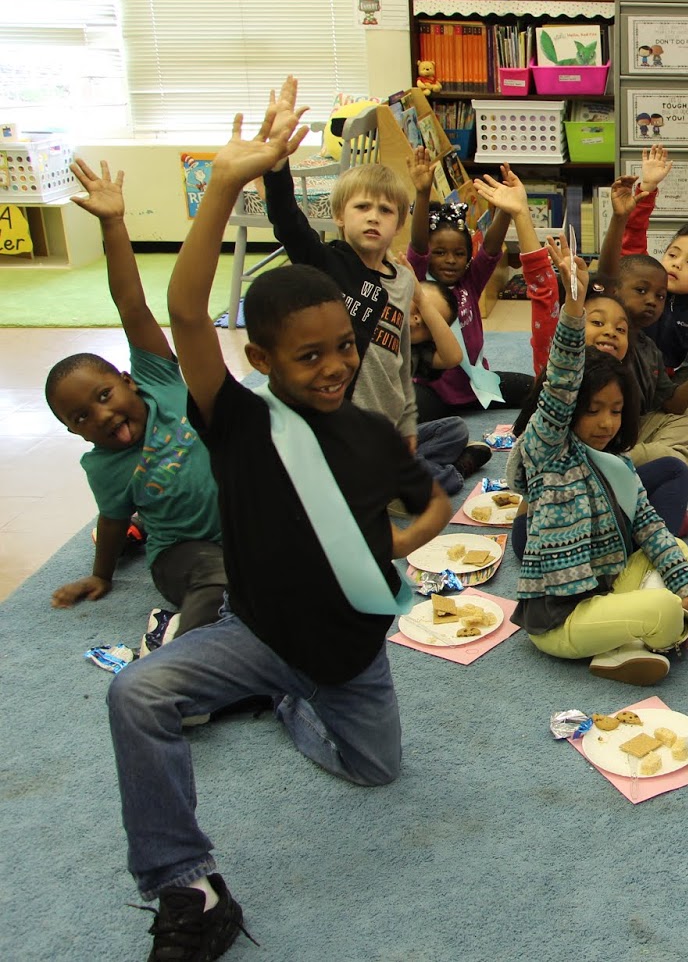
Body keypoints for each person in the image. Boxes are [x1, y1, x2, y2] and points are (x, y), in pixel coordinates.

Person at [108, 78, 451, 960]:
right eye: (309, 356)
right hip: (256, 631)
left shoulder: (374, 434)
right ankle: (185, 882)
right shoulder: (238, 418)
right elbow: (185, 311)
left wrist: (396, 547)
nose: (334, 366)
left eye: (344, 347)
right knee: (136, 693)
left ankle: (283, 705)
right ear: (260, 359)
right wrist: (226, 183)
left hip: (349, 653)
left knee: (379, 770)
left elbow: (434, 501)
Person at [506, 232, 688, 686]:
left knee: (675, 550)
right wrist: (574, 303)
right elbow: (561, 379)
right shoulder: (548, 448)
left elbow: (651, 528)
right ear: (566, 413)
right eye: (592, 411)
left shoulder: (618, 464)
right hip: (560, 618)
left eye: (616, 412)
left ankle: (623, 646)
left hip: (604, 588)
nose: (605, 423)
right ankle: (635, 638)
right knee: (663, 609)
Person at [46, 158, 224, 651]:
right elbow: (109, 517)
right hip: (182, 555)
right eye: (82, 417)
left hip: (243, 523)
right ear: (74, 433)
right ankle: (179, 667)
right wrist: (100, 576)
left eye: (104, 396)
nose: (101, 415)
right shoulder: (104, 466)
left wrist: (113, 223)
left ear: (127, 379)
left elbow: (131, 305)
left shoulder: (159, 380)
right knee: (220, 580)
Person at [261, 87, 421, 461]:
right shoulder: (324, 264)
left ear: (398, 224)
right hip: (335, 420)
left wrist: (408, 424)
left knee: (428, 455)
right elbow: (288, 223)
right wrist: (276, 165)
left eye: (385, 210)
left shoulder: (403, 279)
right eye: (362, 206)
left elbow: (403, 358)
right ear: (339, 216)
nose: (373, 216)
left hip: (387, 419)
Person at [508, 280, 688, 538]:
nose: (610, 332)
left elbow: (624, 444)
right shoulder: (560, 388)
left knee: (674, 469)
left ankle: (646, 530)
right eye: (597, 323)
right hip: (557, 513)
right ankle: (649, 527)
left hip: (604, 492)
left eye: (621, 329)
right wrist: (574, 303)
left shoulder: (624, 379)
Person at [590, 174, 688, 475]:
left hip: (636, 421)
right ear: (617, 289)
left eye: (659, 295)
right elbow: (613, 266)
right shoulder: (604, 333)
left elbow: (674, 405)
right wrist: (626, 211)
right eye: (642, 291)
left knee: (685, 419)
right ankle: (676, 459)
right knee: (673, 460)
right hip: (590, 438)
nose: (654, 300)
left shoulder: (649, 351)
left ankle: (640, 462)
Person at [404, 148, 534, 420]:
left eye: (459, 254)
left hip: (477, 384)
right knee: (406, 415)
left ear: (467, 258)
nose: (450, 260)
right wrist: (422, 193)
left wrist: (508, 211)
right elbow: (417, 246)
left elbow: (490, 249)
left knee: (538, 389)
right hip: (433, 391)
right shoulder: (418, 282)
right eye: (439, 253)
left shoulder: (470, 283)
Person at [408, 280, 492, 495]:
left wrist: (425, 306)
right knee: (446, 483)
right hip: (368, 440)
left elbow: (453, 356)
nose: (418, 319)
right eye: (415, 306)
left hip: (396, 435)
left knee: (455, 428)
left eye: (428, 322)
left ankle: (412, 468)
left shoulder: (415, 352)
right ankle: (453, 471)